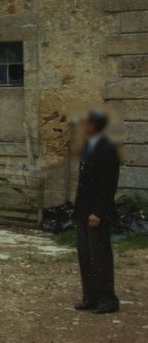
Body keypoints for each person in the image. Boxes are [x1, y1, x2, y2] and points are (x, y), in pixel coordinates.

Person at [73, 109, 121, 314]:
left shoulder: (108, 148)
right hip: (83, 211)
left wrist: (98, 211)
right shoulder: (87, 146)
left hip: (96, 213)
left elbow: (108, 184)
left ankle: (107, 299)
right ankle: (90, 297)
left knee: (99, 255)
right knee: (86, 255)